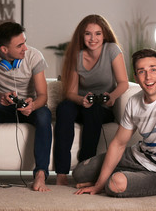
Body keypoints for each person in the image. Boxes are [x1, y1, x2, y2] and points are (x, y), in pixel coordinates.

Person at [73, 49, 156, 203]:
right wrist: (99, 185)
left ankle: (118, 179)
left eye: (153, 69)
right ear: (136, 77)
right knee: (80, 173)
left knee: (116, 183)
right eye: (142, 71)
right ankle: (113, 178)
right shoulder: (134, 102)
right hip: (138, 157)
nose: (148, 77)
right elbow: (118, 144)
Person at [0, 22, 52, 192]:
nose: (25, 48)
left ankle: (40, 174)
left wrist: (33, 106)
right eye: (19, 45)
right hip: (1, 106)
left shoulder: (34, 56)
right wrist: (0, 97)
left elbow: (43, 96)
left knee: (44, 114)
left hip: (27, 107)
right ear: (4, 49)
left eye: (25, 42)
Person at [54, 14, 129, 185]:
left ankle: (84, 171)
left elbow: (123, 83)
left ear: (104, 35)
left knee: (93, 110)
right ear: (82, 35)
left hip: (102, 107)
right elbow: (71, 93)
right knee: (64, 108)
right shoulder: (76, 55)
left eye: (98, 34)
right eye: (88, 34)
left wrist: (112, 96)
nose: (93, 38)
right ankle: (61, 174)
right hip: (80, 103)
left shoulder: (112, 50)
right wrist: (82, 100)